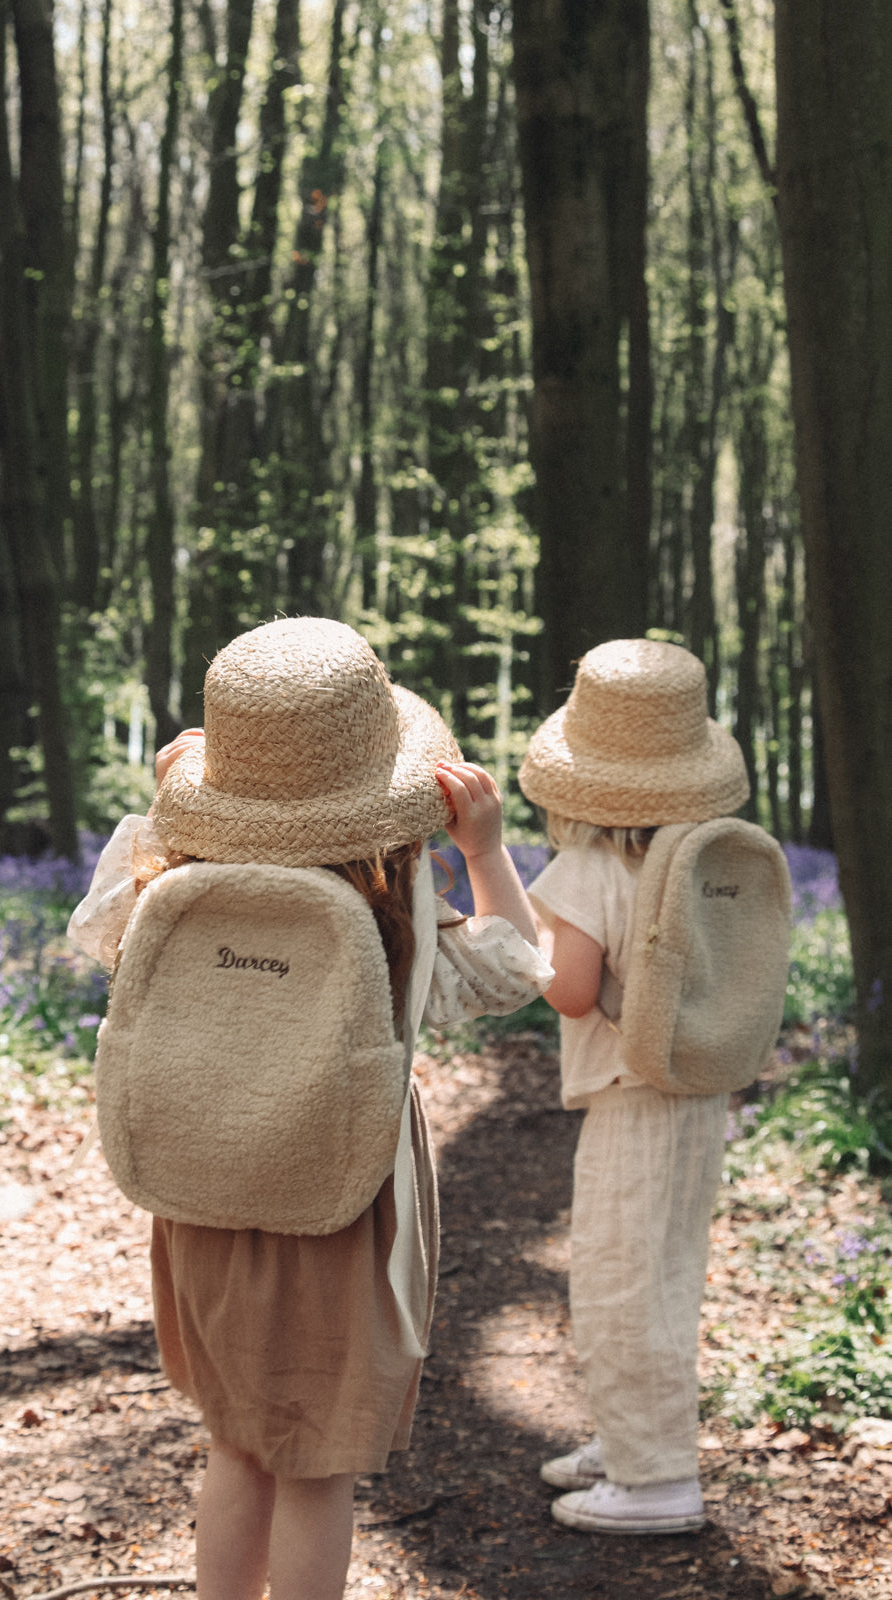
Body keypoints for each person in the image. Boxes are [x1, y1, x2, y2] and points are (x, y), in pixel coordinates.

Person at [69, 616, 551, 1600]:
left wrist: (170, 814)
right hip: (341, 1197)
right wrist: (486, 851)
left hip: (202, 1193)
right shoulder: (402, 901)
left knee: (237, 1442)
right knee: (314, 1460)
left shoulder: (173, 884)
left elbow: (98, 928)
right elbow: (517, 971)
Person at [517, 637, 751, 1536]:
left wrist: (520, 953)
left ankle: (653, 1481)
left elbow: (571, 990)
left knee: (618, 1279)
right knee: (665, 1273)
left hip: (627, 1093)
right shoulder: (698, 862)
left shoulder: (585, 872)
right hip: (696, 1086)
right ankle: (631, 1440)